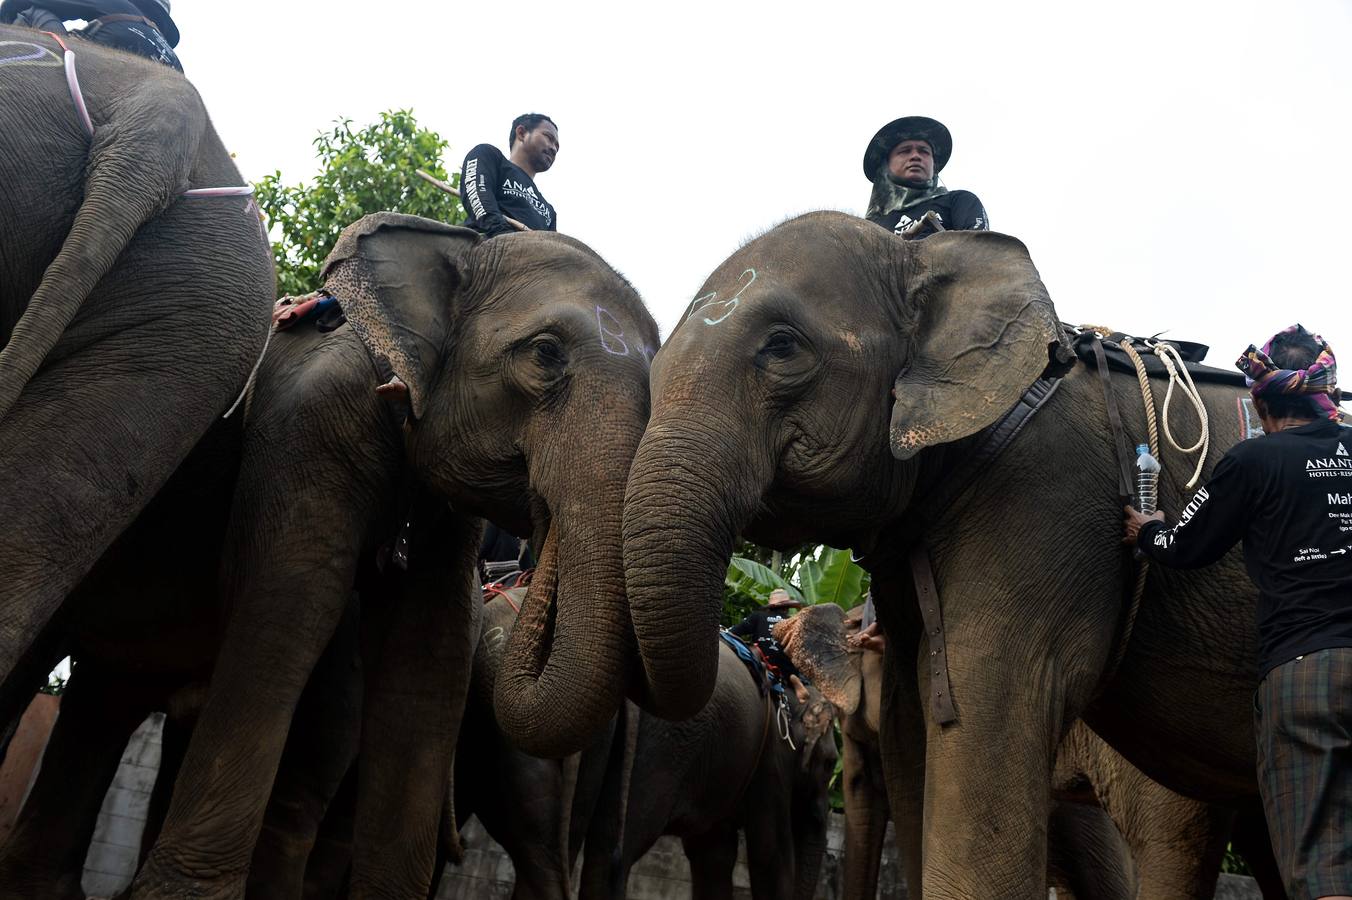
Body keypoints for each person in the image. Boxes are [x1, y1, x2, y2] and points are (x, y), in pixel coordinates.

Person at [1123, 324, 1351, 900]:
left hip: (1309, 674)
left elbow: (1186, 547)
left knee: (1324, 864)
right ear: (1327, 392)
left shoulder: (1253, 459)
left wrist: (1148, 530)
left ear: (1258, 403)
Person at [862, 115, 988, 237]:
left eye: (924, 151)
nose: (915, 156)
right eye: (905, 151)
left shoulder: (959, 201)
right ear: (886, 166)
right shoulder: (871, 228)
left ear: (934, 165)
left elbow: (981, 247)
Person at [1, 0, 181, 72]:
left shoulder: (119, 4)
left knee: (31, 11)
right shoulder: (172, 57)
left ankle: (47, 67)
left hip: (105, 56)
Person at [459, 113, 559, 238]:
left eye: (557, 146)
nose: (554, 149)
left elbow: (552, 244)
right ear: (521, 133)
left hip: (531, 251)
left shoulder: (549, 211)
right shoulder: (490, 156)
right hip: (485, 246)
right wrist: (503, 233)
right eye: (548, 137)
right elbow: (476, 194)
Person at [732, 589, 810, 702]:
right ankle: (792, 677)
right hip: (784, 665)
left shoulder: (757, 616)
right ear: (786, 608)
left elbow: (734, 632)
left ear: (770, 607)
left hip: (761, 658)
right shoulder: (792, 622)